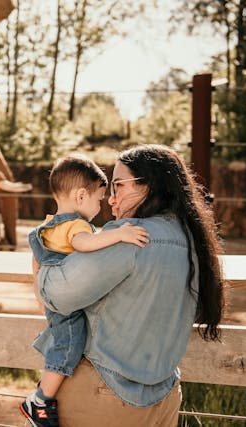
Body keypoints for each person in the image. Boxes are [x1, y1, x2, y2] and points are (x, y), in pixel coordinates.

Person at [30, 145, 226, 427]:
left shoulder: (130, 237)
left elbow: (56, 295)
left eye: (119, 186)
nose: (111, 199)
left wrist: (42, 253)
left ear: (150, 186)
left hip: (105, 397)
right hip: (164, 398)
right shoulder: (192, 240)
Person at [21, 153, 150, 427]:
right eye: (99, 199)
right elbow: (83, 245)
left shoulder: (46, 226)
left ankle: (45, 392)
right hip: (67, 303)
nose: (101, 205)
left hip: (54, 298)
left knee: (61, 341)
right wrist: (118, 234)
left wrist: (39, 296)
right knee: (69, 346)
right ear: (81, 197)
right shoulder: (77, 226)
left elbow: (37, 262)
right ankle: (41, 399)